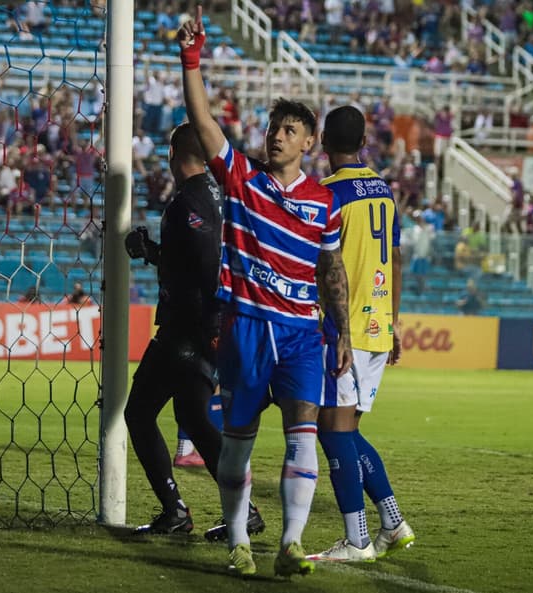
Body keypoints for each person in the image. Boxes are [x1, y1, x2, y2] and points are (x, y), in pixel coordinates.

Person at [177, 8, 353, 578]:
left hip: (302, 333)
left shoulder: (325, 204)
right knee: (238, 442)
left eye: (289, 130)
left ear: (308, 142)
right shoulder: (242, 179)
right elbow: (203, 123)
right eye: (274, 127)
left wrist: (342, 332)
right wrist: (192, 58)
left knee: (304, 430)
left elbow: (331, 269)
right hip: (247, 328)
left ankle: (291, 544)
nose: (277, 135)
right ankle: (238, 541)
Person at [122, 123, 265, 539]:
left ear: (173, 153)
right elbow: (195, 260)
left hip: (189, 327)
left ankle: (175, 511)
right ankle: (244, 511)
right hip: (205, 324)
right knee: (193, 417)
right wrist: (153, 253)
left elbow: (206, 264)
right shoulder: (219, 193)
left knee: (139, 413)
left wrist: (211, 327)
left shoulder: (189, 200)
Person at [306, 105, 415, 564]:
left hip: (342, 329)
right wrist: (394, 322)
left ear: (322, 142)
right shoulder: (384, 192)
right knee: (346, 431)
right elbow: (395, 259)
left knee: (333, 433)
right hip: (377, 326)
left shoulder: (327, 194)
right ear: (364, 143)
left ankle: (357, 540)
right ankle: (393, 522)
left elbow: (322, 264)